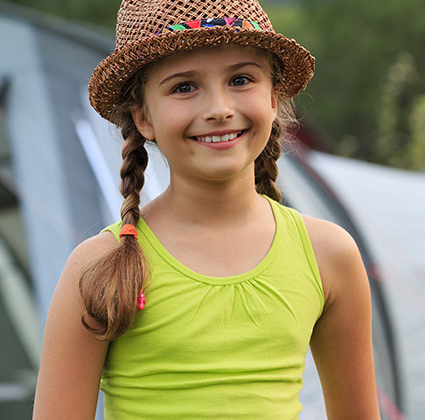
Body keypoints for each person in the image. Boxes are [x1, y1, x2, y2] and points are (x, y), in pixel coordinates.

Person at [33, 0, 380, 419]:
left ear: (273, 97)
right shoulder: (98, 267)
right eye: (184, 87)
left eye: (240, 79)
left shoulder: (329, 255)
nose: (218, 108)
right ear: (143, 117)